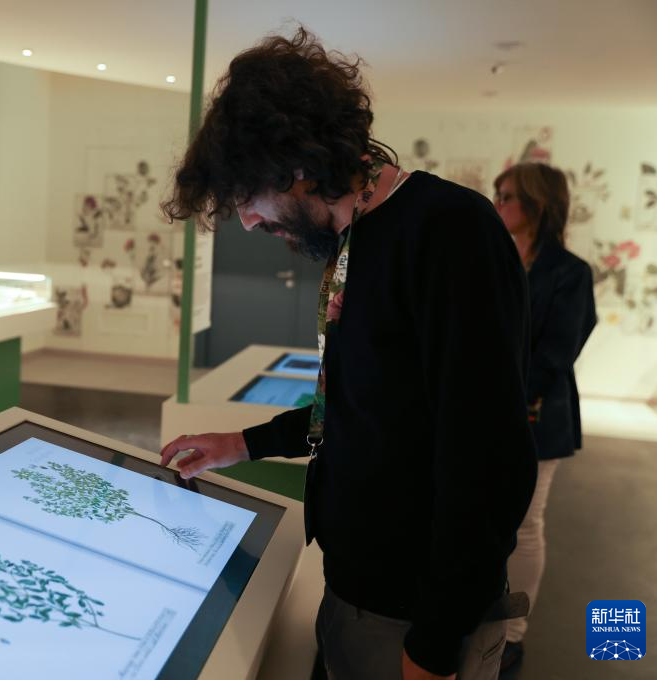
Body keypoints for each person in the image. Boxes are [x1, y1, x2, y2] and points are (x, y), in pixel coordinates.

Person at [158, 29, 537, 680]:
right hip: (357, 593)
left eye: (248, 196)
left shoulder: (450, 231)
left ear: (296, 162)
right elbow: (363, 407)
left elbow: (490, 461)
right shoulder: (353, 239)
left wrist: (433, 645)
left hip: (416, 618)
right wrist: (242, 443)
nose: (248, 221)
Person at [492, 163, 597, 672]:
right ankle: (482, 616)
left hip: (536, 415)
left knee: (526, 523)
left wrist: (501, 397)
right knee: (484, 517)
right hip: (484, 411)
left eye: (508, 195)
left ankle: (513, 632)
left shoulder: (570, 272)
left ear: (538, 204)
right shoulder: (493, 258)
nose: (497, 203)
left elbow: (557, 352)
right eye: (497, 193)